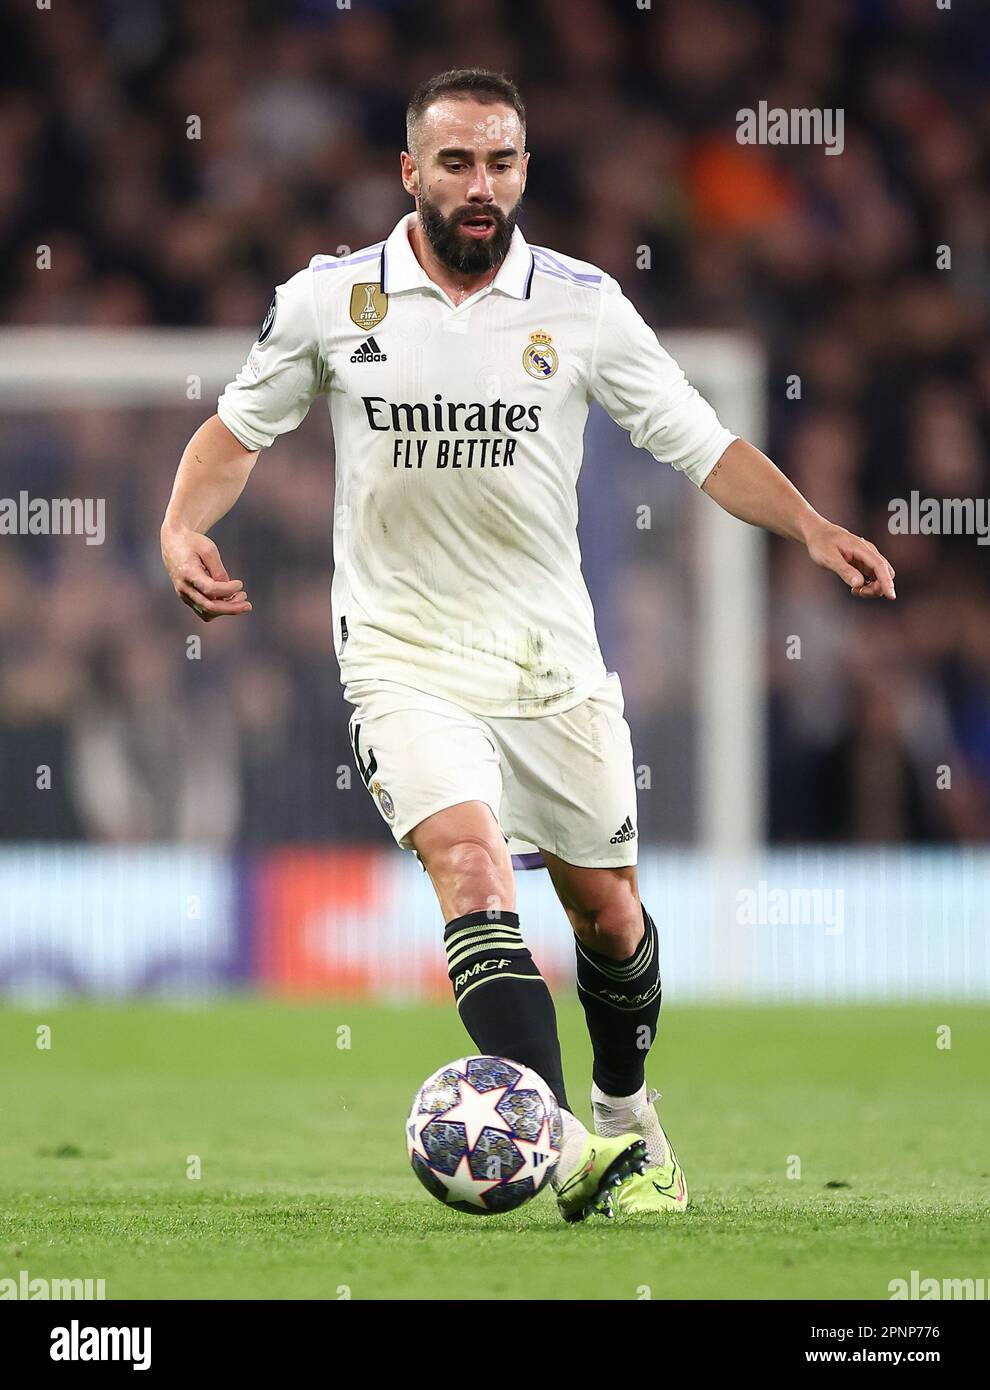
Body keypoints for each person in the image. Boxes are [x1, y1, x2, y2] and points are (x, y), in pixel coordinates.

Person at [161, 68, 895, 1222]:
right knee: (470, 863)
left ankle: (621, 1104)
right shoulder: (329, 301)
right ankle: (565, 1152)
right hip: (402, 654)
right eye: (455, 162)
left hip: (550, 661)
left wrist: (809, 522)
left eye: (500, 162)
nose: (479, 184)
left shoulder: (585, 305)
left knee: (607, 912)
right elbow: (235, 429)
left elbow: (702, 444)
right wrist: (179, 527)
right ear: (411, 173)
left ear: (523, 172)